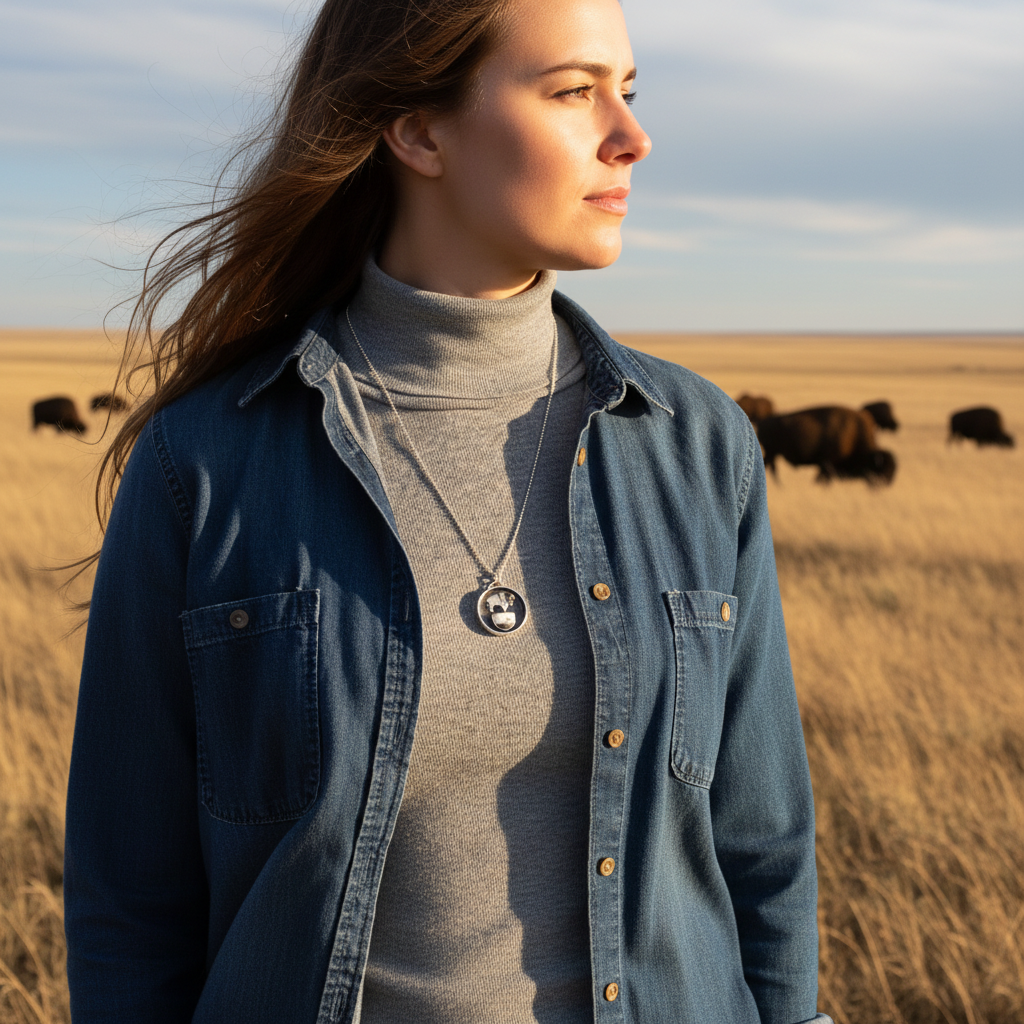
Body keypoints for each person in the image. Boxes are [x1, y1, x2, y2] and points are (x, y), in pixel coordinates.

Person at [63, 0, 833, 1021]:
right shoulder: (204, 461)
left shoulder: (696, 445)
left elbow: (763, 847)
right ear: (419, 131)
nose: (631, 136)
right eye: (574, 91)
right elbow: (128, 899)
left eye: (628, 90)